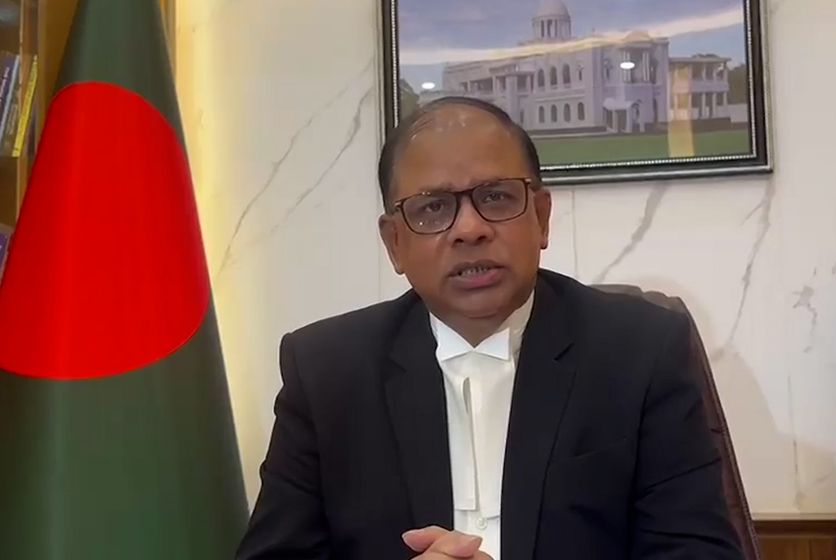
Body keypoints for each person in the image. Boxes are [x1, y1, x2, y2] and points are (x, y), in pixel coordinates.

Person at [235, 96, 744, 560]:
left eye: (496, 197)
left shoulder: (640, 351)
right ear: (394, 244)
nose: (470, 228)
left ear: (541, 217)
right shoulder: (326, 372)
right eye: (433, 207)